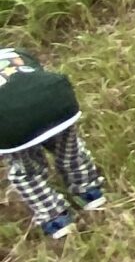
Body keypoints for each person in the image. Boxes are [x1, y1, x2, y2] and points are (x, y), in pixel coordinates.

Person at [1, 45, 104, 241]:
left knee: (26, 171)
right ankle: (89, 191)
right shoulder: (15, 53)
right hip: (56, 102)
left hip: (11, 122)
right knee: (69, 150)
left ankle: (55, 218)